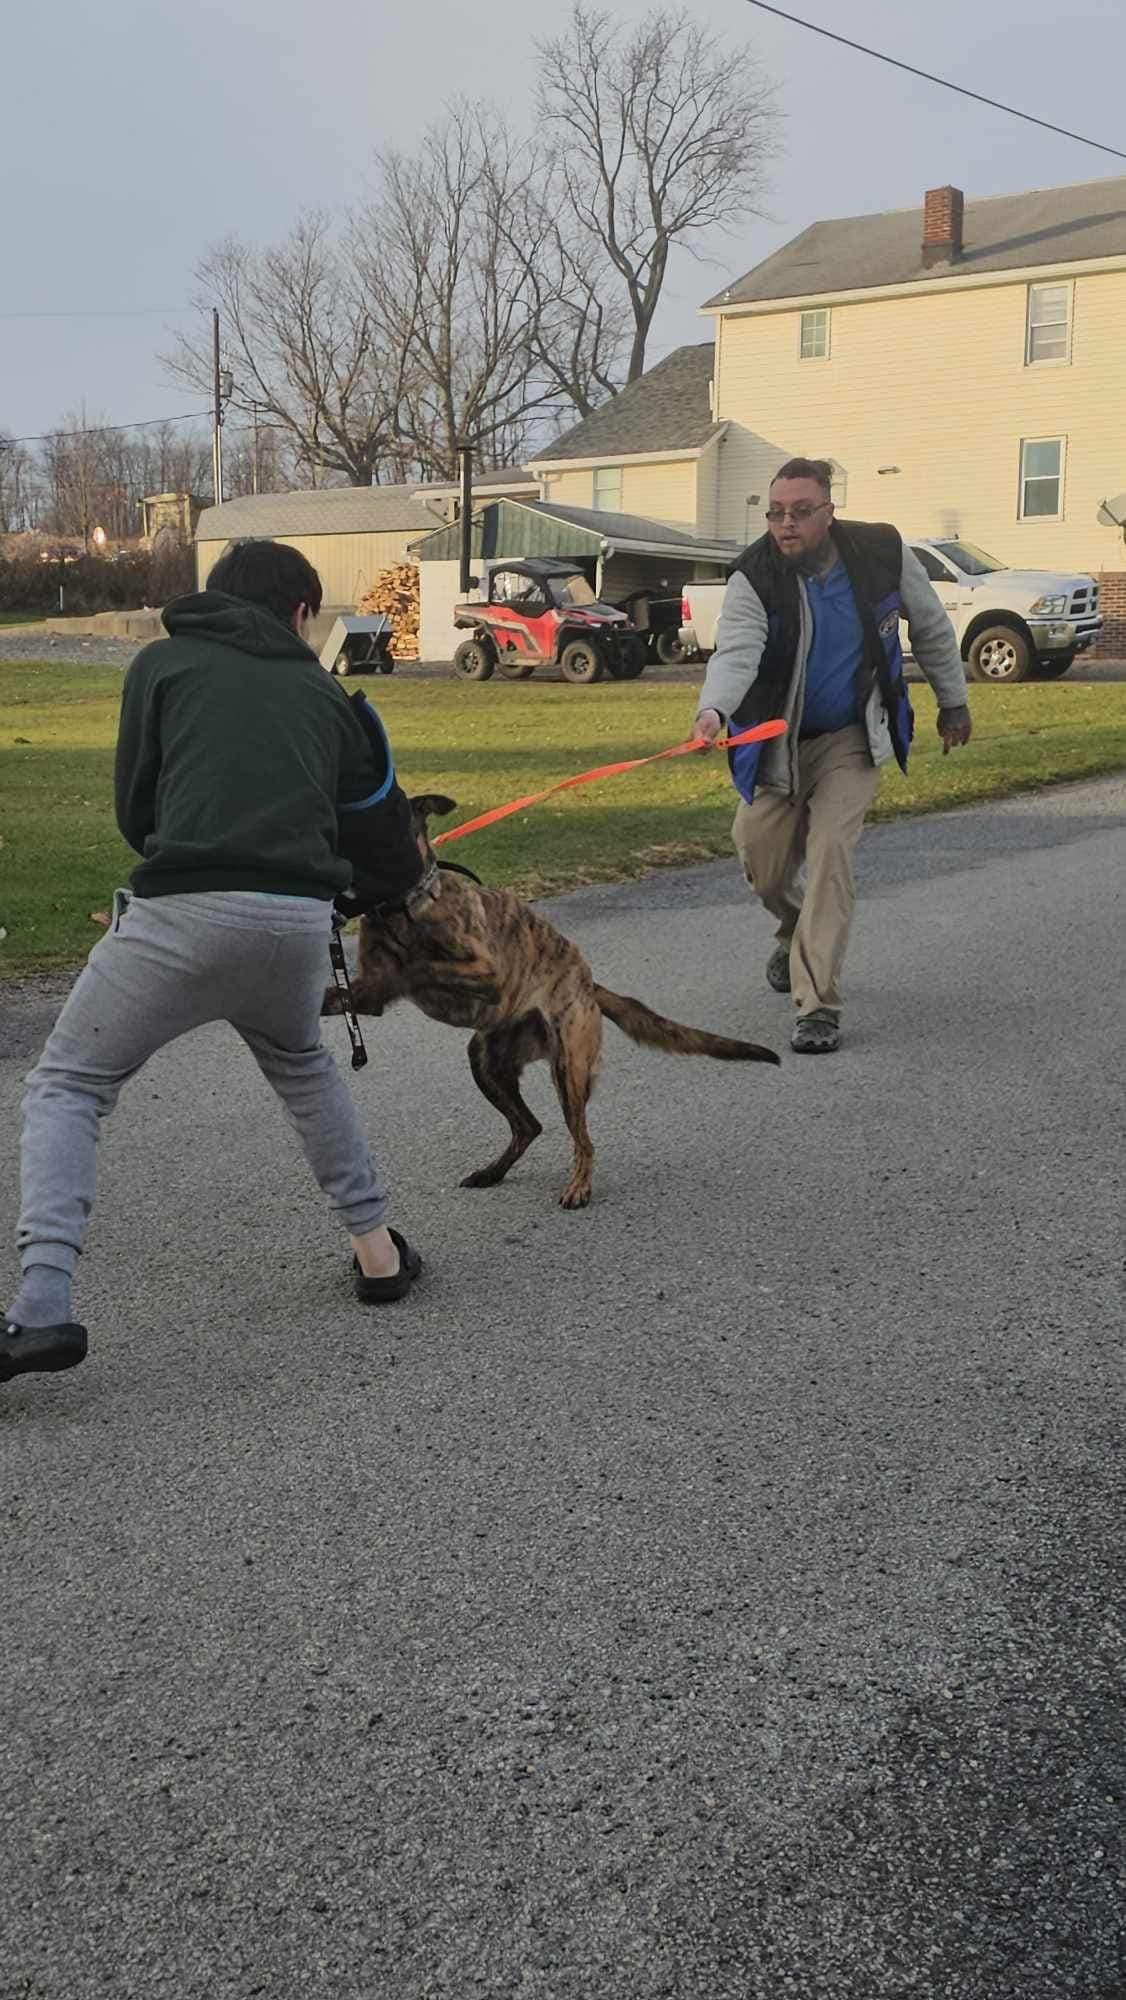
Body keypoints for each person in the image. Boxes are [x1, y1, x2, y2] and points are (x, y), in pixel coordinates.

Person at [2, 538, 430, 1386]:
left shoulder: (161, 664)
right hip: (295, 926)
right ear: (301, 612)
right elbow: (381, 850)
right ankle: (378, 1252)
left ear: (217, 595)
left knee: (69, 1084)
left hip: (180, 914)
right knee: (303, 1070)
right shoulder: (327, 694)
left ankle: (42, 1305)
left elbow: (137, 812)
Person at [695, 458, 972, 1054]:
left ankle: (817, 1004)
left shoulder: (882, 554)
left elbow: (930, 628)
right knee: (761, 862)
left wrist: (954, 702)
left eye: (800, 511)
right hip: (777, 741)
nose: (786, 524)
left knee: (830, 856)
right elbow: (737, 651)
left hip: (851, 736)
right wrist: (713, 709)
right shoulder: (754, 574)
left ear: (828, 511)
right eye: (776, 513)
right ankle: (795, 930)